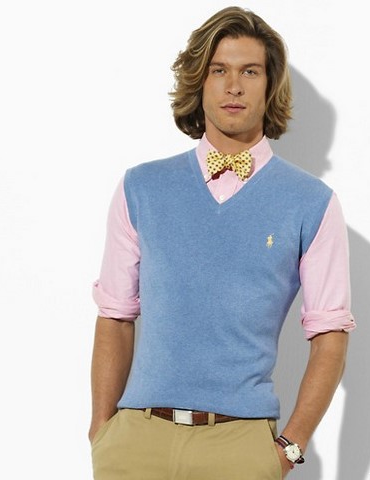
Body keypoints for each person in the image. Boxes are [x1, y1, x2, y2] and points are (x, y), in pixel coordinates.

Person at [89, 6, 356, 480]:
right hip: (135, 444)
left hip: (240, 447)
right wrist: (102, 433)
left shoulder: (312, 202)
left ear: (269, 84)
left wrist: (288, 449)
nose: (234, 86)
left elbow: (330, 335)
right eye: (219, 70)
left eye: (249, 71)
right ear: (200, 82)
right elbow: (115, 315)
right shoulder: (141, 188)